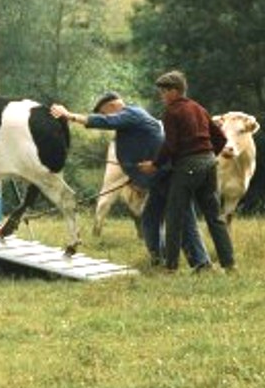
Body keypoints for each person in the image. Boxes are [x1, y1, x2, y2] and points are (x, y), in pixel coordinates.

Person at [51, 92, 210, 270]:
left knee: (183, 219)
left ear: (112, 107)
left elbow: (106, 122)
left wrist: (70, 116)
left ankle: (201, 264)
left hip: (171, 176)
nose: (105, 117)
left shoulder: (132, 114)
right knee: (150, 219)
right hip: (159, 179)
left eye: (104, 113)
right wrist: (135, 177)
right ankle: (160, 260)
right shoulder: (129, 123)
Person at [137, 70, 235, 272]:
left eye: (164, 91)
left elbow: (170, 146)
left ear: (175, 91)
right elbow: (221, 139)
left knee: (174, 217)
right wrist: (208, 155)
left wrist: (154, 165)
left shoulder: (173, 111)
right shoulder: (199, 108)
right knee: (215, 217)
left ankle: (170, 267)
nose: (161, 96)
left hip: (188, 168)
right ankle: (229, 264)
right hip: (209, 166)